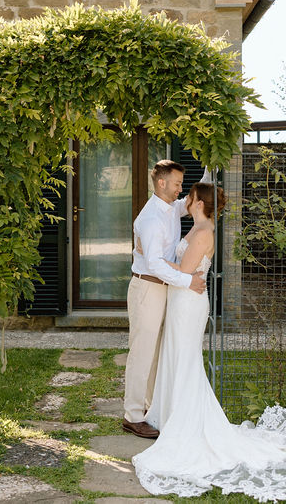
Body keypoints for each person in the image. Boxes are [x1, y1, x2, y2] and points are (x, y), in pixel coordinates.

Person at [133, 182, 286, 500]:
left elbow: (187, 271)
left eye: (190, 197)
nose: (185, 200)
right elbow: (184, 272)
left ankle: (185, 422)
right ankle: (169, 414)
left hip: (188, 306)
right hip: (182, 301)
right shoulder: (198, 226)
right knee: (176, 357)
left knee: (186, 361)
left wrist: (152, 262)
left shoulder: (203, 232)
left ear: (200, 204)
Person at [123, 160, 207, 439]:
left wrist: (211, 169)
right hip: (148, 288)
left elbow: (191, 201)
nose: (180, 190)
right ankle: (133, 416)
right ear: (161, 183)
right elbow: (156, 264)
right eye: (176, 184)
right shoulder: (150, 219)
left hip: (165, 288)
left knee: (157, 351)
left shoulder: (171, 206)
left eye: (181, 185)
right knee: (142, 352)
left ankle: (150, 408)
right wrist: (189, 282)